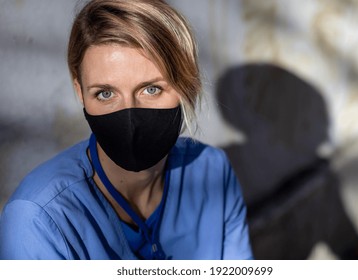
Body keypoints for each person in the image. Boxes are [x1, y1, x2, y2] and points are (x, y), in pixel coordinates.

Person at [0, 0, 252, 260]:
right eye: (105, 93)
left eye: (151, 89)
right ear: (81, 93)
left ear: (186, 84)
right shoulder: (38, 220)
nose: (130, 115)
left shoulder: (212, 171)